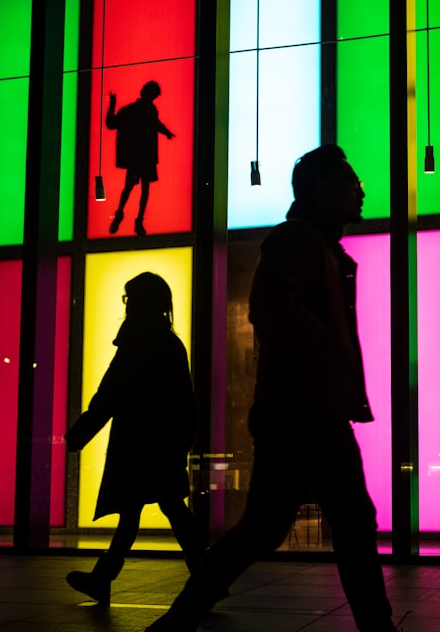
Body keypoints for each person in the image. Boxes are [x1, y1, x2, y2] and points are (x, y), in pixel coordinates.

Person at [148, 145, 397, 631]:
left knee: (321, 524)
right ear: (322, 189)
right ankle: (177, 621)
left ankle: (178, 621)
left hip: (312, 410)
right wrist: (326, 345)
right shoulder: (299, 240)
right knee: (281, 528)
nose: (360, 193)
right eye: (352, 184)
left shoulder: (317, 244)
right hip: (301, 412)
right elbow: (269, 307)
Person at [65, 272, 205, 605]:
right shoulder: (169, 344)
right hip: (162, 444)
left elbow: (109, 394)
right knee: (169, 509)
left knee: (136, 511)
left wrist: (81, 432)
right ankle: (205, 577)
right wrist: (182, 443)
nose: (125, 305)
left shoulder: (135, 343)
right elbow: (185, 401)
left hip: (137, 444)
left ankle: (105, 579)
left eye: (129, 298)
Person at [105, 80, 175, 236]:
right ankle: (136, 220)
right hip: (143, 157)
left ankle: (124, 215)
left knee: (132, 188)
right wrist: (166, 132)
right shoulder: (145, 110)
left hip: (139, 158)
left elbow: (111, 123)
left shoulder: (132, 110)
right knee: (141, 189)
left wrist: (112, 106)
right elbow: (156, 124)